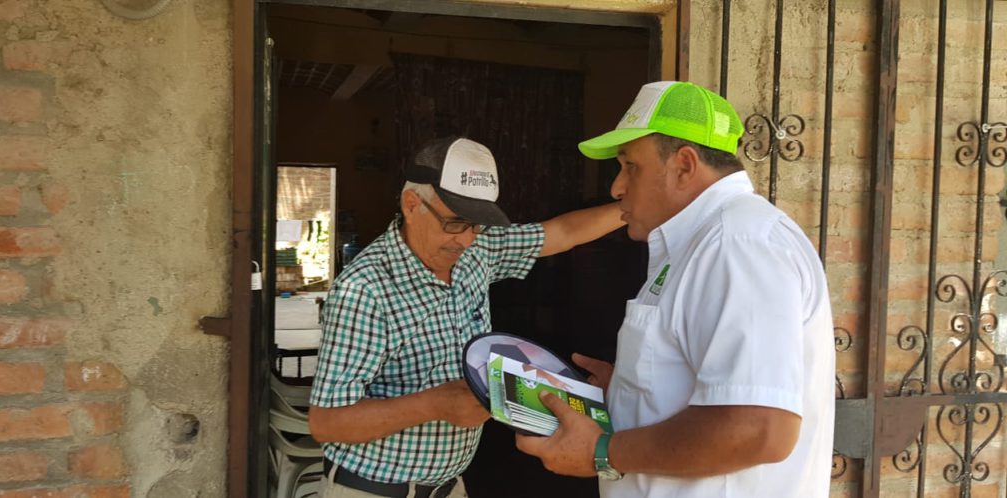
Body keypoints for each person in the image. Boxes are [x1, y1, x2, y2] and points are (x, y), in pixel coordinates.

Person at [515, 81, 835, 497]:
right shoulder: (703, 244)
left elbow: (761, 429)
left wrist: (602, 451)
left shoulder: (737, 247)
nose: (616, 187)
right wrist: (633, 390)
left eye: (630, 166)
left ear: (684, 166)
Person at [308, 136, 625, 498]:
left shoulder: (477, 251)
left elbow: (562, 232)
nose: (468, 239)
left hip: (449, 487)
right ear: (412, 205)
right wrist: (433, 405)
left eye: (479, 224)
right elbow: (326, 421)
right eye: (456, 222)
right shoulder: (364, 290)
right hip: (372, 490)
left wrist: (639, 205)